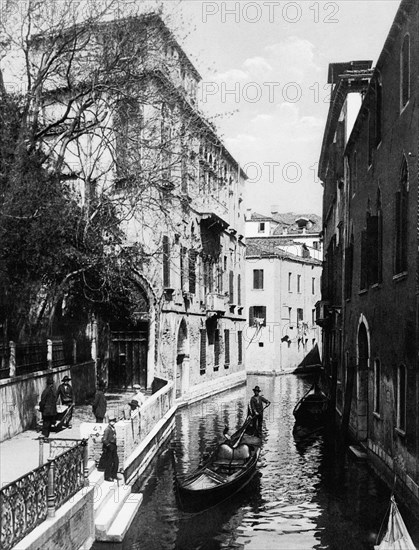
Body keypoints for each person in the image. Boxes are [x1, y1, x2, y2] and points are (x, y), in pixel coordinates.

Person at [101, 413, 119, 482]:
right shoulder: (107, 429)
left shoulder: (113, 428)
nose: (113, 422)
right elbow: (104, 439)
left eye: (114, 420)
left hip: (113, 446)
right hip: (109, 447)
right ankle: (107, 476)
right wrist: (109, 445)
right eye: (111, 420)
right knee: (109, 462)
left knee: (116, 461)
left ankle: (114, 475)